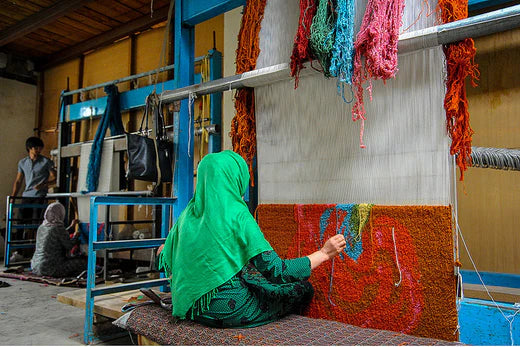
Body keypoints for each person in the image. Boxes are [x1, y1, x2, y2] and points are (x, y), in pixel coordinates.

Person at [157, 150, 346, 328]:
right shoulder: (238, 214)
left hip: (189, 307)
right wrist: (324, 253)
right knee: (301, 289)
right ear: (235, 178)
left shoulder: (187, 215)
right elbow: (277, 272)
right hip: (226, 310)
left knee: (249, 275)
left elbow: (163, 255)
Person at [30, 202, 87, 278]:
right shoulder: (58, 228)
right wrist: (76, 236)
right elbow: (69, 245)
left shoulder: (42, 227)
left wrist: (71, 227)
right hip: (50, 268)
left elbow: (57, 235)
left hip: (35, 266)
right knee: (83, 263)